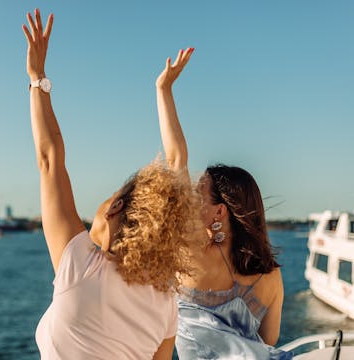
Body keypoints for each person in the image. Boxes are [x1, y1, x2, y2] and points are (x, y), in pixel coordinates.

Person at [22, 9, 203, 360]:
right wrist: (162, 89)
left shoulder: (80, 264)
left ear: (117, 207)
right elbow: (177, 168)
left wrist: (37, 78)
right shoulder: (165, 303)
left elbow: (49, 160)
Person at [156, 48, 293, 359]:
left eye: (197, 193)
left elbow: (176, 161)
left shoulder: (190, 256)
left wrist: (162, 89)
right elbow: (267, 345)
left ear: (219, 211)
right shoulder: (272, 276)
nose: (189, 196)